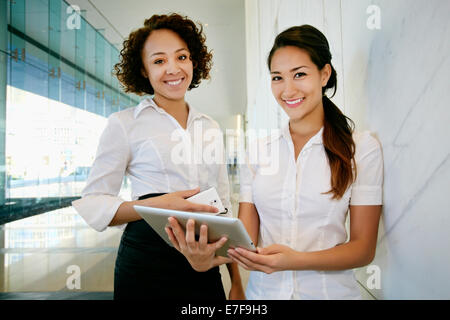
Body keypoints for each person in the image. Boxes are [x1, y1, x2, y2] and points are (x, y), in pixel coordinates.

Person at [72, 13, 244, 300]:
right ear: (143, 70)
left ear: (194, 62)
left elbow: (223, 208)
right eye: (159, 61)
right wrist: (157, 204)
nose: (173, 69)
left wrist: (236, 281)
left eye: (182, 57)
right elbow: (93, 202)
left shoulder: (210, 127)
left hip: (204, 258)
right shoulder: (124, 123)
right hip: (145, 260)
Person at [227, 25, 383, 300]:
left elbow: (363, 249)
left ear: (324, 74)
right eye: (277, 78)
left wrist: (294, 260)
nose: (287, 90)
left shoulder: (361, 148)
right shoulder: (258, 151)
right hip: (263, 295)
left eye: (299, 74)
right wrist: (207, 252)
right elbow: (246, 240)